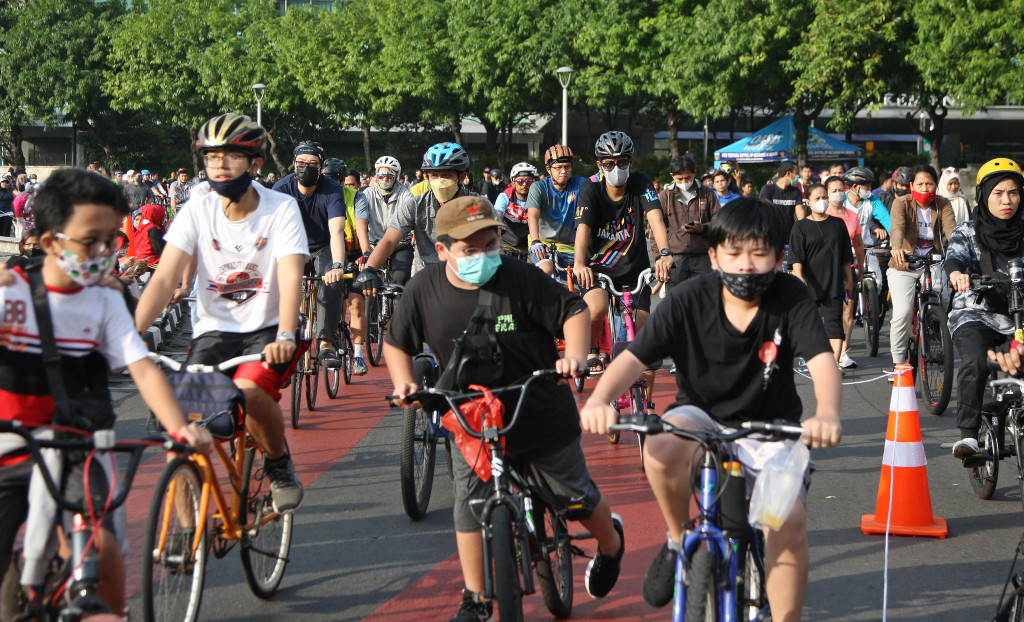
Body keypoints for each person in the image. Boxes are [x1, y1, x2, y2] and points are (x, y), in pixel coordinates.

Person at [578, 196, 842, 621]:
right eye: (734, 253)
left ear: (778, 257)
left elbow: (822, 361)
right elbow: (634, 357)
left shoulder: (791, 296)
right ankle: (680, 538)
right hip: (699, 416)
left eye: (759, 254)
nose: (746, 265)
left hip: (771, 429)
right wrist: (599, 399)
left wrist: (827, 412)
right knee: (659, 444)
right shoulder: (688, 298)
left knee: (784, 521)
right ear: (715, 255)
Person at [384, 196, 625, 622]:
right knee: (469, 504)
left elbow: (573, 309)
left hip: (537, 406)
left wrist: (575, 356)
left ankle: (611, 545)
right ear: (441, 251)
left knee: (575, 497)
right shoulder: (424, 289)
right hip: (469, 415)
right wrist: (403, 383)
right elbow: (397, 343)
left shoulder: (522, 278)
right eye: (469, 249)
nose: (483, 255)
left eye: (490, 244)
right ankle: (475, 597)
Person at [0, 168, 212, 617]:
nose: (101, 253)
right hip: (9, 442)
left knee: (103, 549)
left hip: (81, 440)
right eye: (88, 241)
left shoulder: (105, 301)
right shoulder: (10, 293)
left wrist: (180, 428)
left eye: (110, 240)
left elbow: (142, 367)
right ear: (50, 241)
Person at [135, 112, 308, 514]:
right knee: (183, 428)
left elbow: (291, 275)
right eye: (211, 157)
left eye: (231, 156)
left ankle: (279, 464)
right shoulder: (197, 209)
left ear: (255, 163)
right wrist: (128, 335)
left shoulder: (281, 209)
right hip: (213, 334)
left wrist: (286, 334)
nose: (219, 165)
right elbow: (163, 281)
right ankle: (182, 535)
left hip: (266, 331)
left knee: (248, 393)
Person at [573, 131, 673, 374]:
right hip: (598, 269)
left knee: (643, 334)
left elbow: (656, 220)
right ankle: (592, 350)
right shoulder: (591, 187)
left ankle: (646, 406)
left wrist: (665, 253)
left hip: (634, 270)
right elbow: (582, 228)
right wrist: (579, 263)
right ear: (600, 165)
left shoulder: (641, 183)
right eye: (609, 164)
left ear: (631, 161)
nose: (615, 168)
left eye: (622, 162)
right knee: (595, 310)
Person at [944, 159, 1023, 463]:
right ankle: (968, 433)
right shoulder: (968, 231)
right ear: (984, 194)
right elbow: (954, 259)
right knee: (976, 361)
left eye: (1014, 193)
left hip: (1017, 316)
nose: (1007, 200)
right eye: (999, 193)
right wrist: (957, 275)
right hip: (976, 312)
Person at [354, 143, 477, 295]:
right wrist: (370, 269)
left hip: (467, 280)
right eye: (434, 176)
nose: (440, 181)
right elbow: (390, 240)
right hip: (426, 281)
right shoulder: (416, 204)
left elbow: (494, 245)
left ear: (462, 177)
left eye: (446, 175)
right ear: (427, 177)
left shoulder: (478, 206)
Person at [272, 142, 349, 369]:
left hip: (323, 246)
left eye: (313, 164)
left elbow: (336, 230)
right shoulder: (281, 189)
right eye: (302, 163)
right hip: (292, 247)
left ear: (321, 166)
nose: (307, 168)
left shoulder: (332, 188)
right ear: (294, 165)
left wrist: (337, 265)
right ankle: (282, 337)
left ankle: (326, 342)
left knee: (331, 281)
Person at [887, 164, 956, 366]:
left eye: (929, 184)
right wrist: (897, 247)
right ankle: (898, 362)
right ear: (911, 185)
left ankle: (931, 325)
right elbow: (897, 227)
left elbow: (952, 230)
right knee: (902, 313)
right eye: (920, 184)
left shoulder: (943, 204)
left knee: (942, 298)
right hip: (903, 264)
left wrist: (960, 248)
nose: (925, 188)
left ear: (936, 185)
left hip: (933, 261)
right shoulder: (901, 203)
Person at [789, 184, 853, 368]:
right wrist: (799, 276)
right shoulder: (800, 227)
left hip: (833, 282)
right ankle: (811, 357)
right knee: (811, 325)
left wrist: (849, 280)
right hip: (810, 284)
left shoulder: (838, 224)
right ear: (808, 202)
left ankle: (833, 365)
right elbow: (796, 257)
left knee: (835, 326)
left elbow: (845, 256)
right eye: (817, 198)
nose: (822, 201)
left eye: (824, 197)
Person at [322, 158, 371, 375]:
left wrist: (368, 253)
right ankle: (329, 343)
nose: (331, 183)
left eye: (336, 180)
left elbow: (361, 227)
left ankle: (358, 356)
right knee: (331, 302)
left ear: (343, 181)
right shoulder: (320, 195)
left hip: (353, 252)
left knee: (356, 305)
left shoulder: (357, 197)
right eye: (327, 179)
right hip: (328, 254)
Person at [654, 155, 720, 291]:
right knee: (675, 302)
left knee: (706, 299)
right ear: (672, 176)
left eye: (688, 178)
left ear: (694, 173)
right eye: (680, 179)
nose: (684, 182)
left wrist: (704, 228)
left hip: (703, 256)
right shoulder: (665, 196)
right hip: (675, 258)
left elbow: (720, 222)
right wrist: (659, 258)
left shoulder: (707, 194)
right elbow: (655, 229)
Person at [824, 174, 867, 369]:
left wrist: (860, 266)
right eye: (834, 191)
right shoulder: (821, 214)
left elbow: (858, 244)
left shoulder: (852, 216)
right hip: (824, 270)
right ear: (826, 194)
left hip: (847, 268)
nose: (838, 194)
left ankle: (842, 353)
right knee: (825, 311)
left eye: (841, 189)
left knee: (848, 311)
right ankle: (824, 351)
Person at [526, 144, 586, 278]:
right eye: (558, 167)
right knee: (546, 270)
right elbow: (533, 216)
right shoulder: (538, 187)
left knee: (581, 283)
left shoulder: (580, 184)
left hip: (571, 246)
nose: (563, 171)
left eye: (567, 167)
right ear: (548, 169)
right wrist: (536, 241)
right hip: (543, 244)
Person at [362, 156, 415, 285]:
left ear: (396, 176)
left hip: (400, 245)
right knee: (368, 280)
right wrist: (366, 250)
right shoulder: (366, 194)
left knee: (401, 278)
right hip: (374, 245)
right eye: (381, 176)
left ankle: (399, 304)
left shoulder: (406, 195)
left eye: (389, 176)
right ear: (376, 176)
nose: (384, 179)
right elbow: (361, 223)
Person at [493, 162, 536, 258]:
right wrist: (497, 244)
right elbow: (497, 220)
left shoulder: (537, 198)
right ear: (513, 183)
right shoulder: (505, 197)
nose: (524, 184)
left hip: (530, 246)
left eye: (528, 181)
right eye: (520, 181)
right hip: (507, 244)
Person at [759, 161, 805, 239]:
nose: (797, 176)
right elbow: (762, 212)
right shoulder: (768, 189)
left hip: (789, 237)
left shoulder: (796, 191)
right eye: (796, 173)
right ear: (788, 173)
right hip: (771, 237)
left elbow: (800, 214)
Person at [132, 203, 167, 269]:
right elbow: (160, 249)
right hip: (149, 261)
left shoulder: (143, 226)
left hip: (140, 258)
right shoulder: (153, 229)